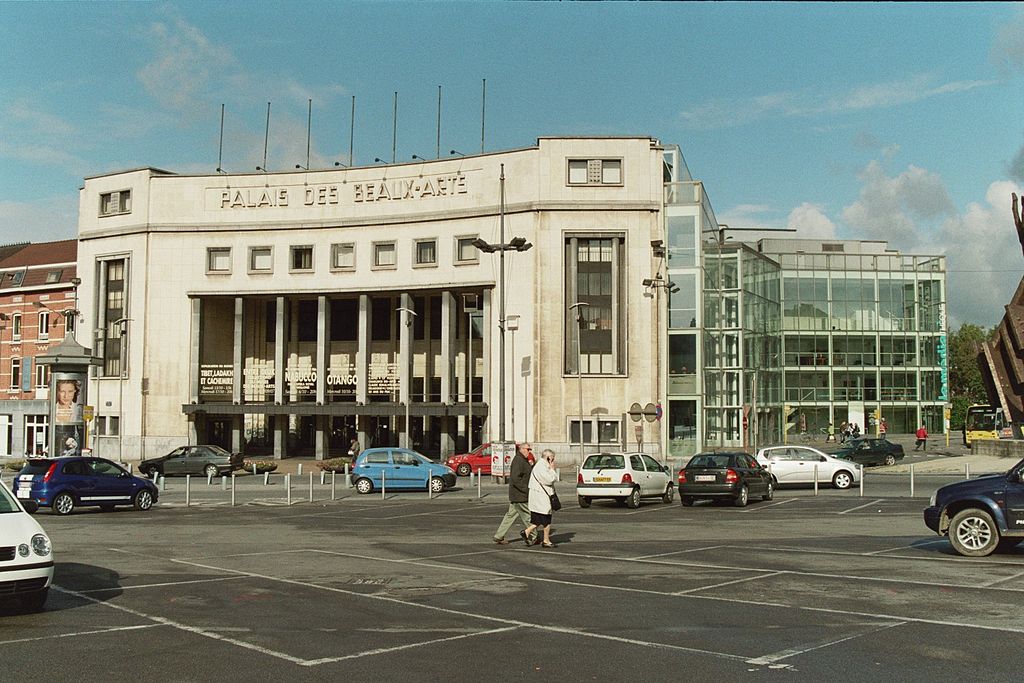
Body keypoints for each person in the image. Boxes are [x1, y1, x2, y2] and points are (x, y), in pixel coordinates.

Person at [492, 442, 535, 545]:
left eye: (530, 450)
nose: (529, 452)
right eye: (528, 449)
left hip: (516, 495)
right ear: (522, 449)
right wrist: (526, 490)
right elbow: (515, 479)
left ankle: (499, 536)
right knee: (528, 515)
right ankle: (534, 536)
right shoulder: (518, 460)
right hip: (520, 495)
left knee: (510, 516)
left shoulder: (522, 460)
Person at [522, 449, 559, 548]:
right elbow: (550, 480)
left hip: (540, 497)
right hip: (541, 497)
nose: (553, 460)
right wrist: (552, 469)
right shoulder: (541, 466)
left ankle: (527, 531)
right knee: (546, 518)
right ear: (548, 457)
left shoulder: (541, 465)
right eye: (552, 458)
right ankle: (546, 540)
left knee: (539, 519)